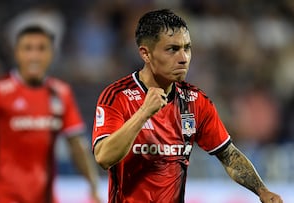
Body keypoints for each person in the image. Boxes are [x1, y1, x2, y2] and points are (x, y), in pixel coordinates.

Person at [92, 9, 283, 203]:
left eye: (187, 48)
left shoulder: (195, 100)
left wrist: (262, 191)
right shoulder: (117, 96)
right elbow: (104, 157)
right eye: (172, 49)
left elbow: (228, 154)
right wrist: (143, 114)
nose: (183, 58)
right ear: (146, 54)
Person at [0, 25, 100, 203]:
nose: (34, 56)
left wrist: (93, 188)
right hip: (5, 197)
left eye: (41, 48)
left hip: (45, 197)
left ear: (51, 54)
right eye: (27, 48)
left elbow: (76, 144)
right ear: (17, 53)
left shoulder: (61, 93)